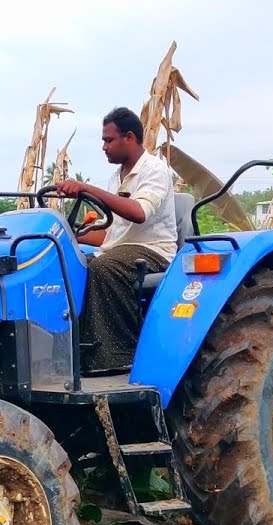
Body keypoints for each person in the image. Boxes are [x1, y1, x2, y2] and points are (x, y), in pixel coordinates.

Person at [58, 107, 179, 374]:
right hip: (118, 249)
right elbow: (109, 233)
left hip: (153, 251)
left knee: (103, 268)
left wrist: (87, 188)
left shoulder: (155, 170)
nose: (104, 147)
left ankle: (118, 355)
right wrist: (67, 233)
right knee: (68, 265)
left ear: (130, 138)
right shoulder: (117, 178)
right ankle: (68, 352)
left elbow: (138, 212)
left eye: (108, 140)